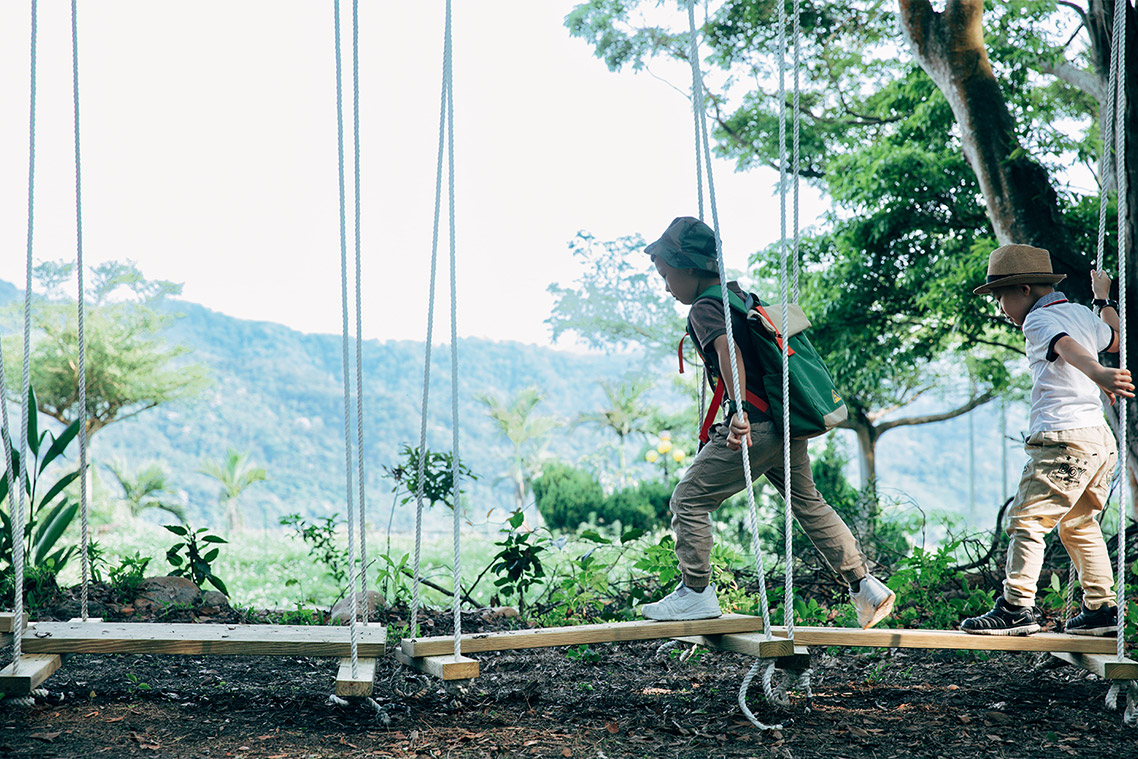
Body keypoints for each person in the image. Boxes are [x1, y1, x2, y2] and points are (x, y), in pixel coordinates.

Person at [639, 216, 895, 628]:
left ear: (687, 268)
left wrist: (738, 409)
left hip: (752, 428)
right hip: (783, 425)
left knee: (688, 501)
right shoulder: (741, 296)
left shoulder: (707, 307)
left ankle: (697, 593)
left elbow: (728, 352)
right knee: (809, 503)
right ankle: (864, 586)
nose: (666, 285)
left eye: (666, 274)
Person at [963, 244, 1133, 636]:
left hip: (1063, 439)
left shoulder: (1038, 321)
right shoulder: (1080, 313)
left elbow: (1065, 346)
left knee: (1026, 519)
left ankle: (1016, 607)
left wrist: (1098, 374)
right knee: (1079, 525)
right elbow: (1116, 338)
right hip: (1098, 441)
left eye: (1001, 296)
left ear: (1024, 289)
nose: (1000, 307)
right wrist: (1102, 297)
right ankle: (1101, 610)